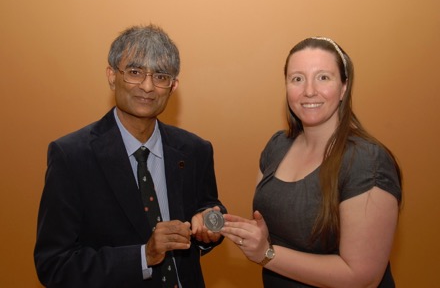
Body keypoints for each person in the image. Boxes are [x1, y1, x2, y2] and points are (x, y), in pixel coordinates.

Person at [34, 24, 226, 288]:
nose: (147, 86)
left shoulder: (195, 150)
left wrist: (209, 227)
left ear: (173, 86)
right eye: (135, 72)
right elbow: (54, 265)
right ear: (112, 75)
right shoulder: (72, 156)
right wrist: (143, 256)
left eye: (160, 76)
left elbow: (207, 208)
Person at [220, 37, 402, 287]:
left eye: (323, 77)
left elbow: (362, 278)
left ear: (344, 87)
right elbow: (280, 224)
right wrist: (247, 233)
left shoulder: (366, 162)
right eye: (297, 78)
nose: (308, 91)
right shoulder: (277, 146)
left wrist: (267, 254)